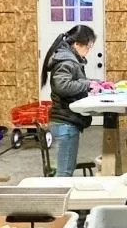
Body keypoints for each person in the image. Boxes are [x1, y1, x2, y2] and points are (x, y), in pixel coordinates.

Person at [42, 25, 98, 177]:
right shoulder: (66, 61)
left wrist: (95, 83)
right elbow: (62, 86)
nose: (88, 51)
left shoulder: (68, 59)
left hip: (65, 121)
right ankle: (57, 193)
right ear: (77, 44)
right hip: (65, 122)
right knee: (64, 173)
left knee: (65, 169)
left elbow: (74, 80)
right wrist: (87, 84)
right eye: (88, 47)